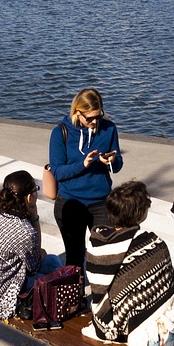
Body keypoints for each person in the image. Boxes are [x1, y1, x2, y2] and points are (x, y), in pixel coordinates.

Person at [85, 180, 174, 342]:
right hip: (130, 328)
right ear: (140, 212)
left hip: (102, 323)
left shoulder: (96, 240)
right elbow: (169, 284)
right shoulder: (153, 245)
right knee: (173, 280)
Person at [0, 170, 59, 321]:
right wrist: (34, 214)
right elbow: (34, 267)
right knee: (53, 263)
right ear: (29, 197)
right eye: (36, 189)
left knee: (47, 261)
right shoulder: (23, 229)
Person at [49, 88, 123, 270]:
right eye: (89, 118)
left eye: (98, 116)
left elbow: (118, 164)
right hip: (71, 202)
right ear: (77, 112)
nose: (94, 122)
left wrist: (112, 160)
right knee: (75, 257)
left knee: (106, 256)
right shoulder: (60, 133)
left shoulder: (109, 129)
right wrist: (84, 164)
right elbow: (58, 172)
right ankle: (75, 298)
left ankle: (105, 296)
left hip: (101, 202)